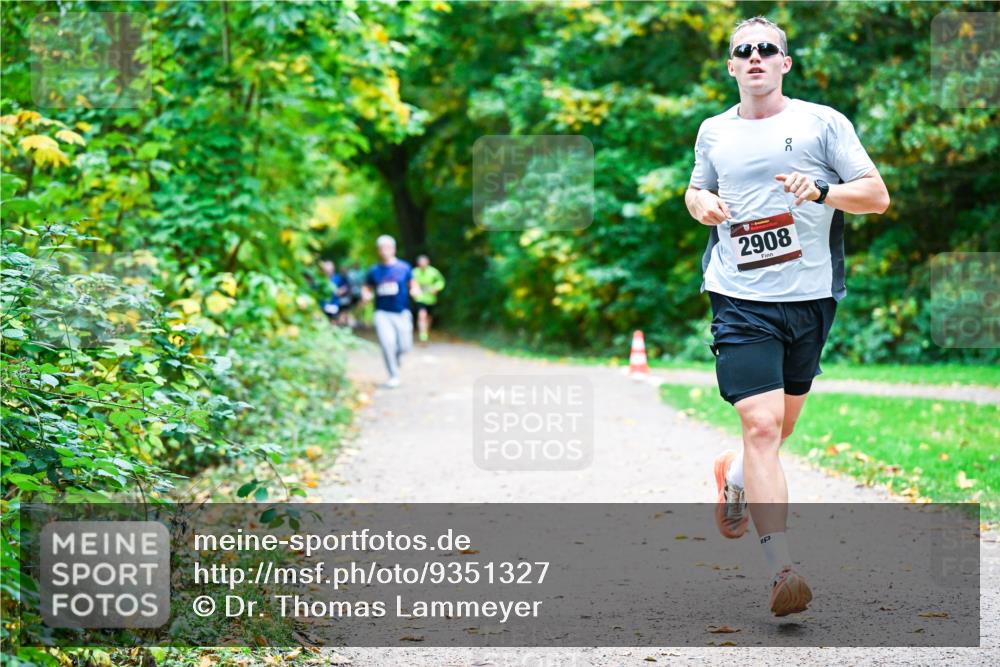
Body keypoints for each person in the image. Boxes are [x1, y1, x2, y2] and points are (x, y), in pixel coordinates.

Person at [684, 16, 890, 617]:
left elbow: (876, 197)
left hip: (809, 297)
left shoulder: (823, 123)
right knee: (762, 426)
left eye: (766, 49)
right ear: (731, 66)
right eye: (743, 50)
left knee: (782, 428)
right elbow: (695, 190)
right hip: (738, 296)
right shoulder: (713, 132)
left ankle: (736, 476)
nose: (755, 57)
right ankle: (783, 569)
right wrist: (701, 204)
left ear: (784, 63)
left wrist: (821, 191)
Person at [362, 235, 416, 388]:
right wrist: (365, 294)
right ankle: (393, 375)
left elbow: (413, 283)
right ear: (378, 251)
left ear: (393, 249)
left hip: (402, 312)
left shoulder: (404, 267)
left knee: (405, 346)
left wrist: (415, 290)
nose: (384, 251)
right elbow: (367, 287)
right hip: (382, 313)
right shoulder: (374, 271)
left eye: (387, 247)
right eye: (381, 248)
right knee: (387, 344)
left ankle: (396, 358)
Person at [411, 254, 446, 343]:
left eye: (424, 262)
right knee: (422, 315)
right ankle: (423, 336)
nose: (422, 264)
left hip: (430, 299)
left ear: (428, 263)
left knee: (428, 318)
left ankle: (426, 332)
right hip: (420, 298)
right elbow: (411, 283)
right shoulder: (414, 272)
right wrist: (413, 290)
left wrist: (436, 288)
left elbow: (441, 281)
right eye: (420, 263)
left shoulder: (433, 272)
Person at [318, 259, 350, 326]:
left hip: (334, 304)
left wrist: (340, 291)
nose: (328, 272)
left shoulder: (338, 278)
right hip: (322, 305)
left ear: (333, 270)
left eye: (330, 270)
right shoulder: (320, 279)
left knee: (333, 322)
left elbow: (346, 286)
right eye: (326, 271)